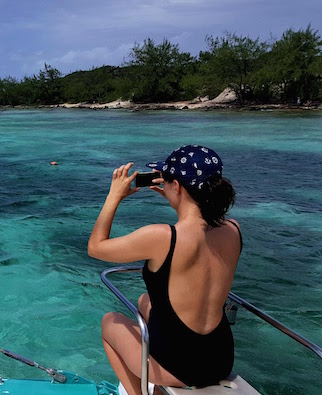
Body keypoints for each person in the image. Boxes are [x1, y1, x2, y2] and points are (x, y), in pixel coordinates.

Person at [87, 145, 241, 394]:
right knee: (145, 301)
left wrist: (114, 196)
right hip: (220, 359)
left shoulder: (162, 237)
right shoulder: (233, 229)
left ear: (178, 187)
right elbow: (201, 232)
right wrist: (179, 201)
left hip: (181, 368)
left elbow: (95, 247)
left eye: (167, 181)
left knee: (109, 322)